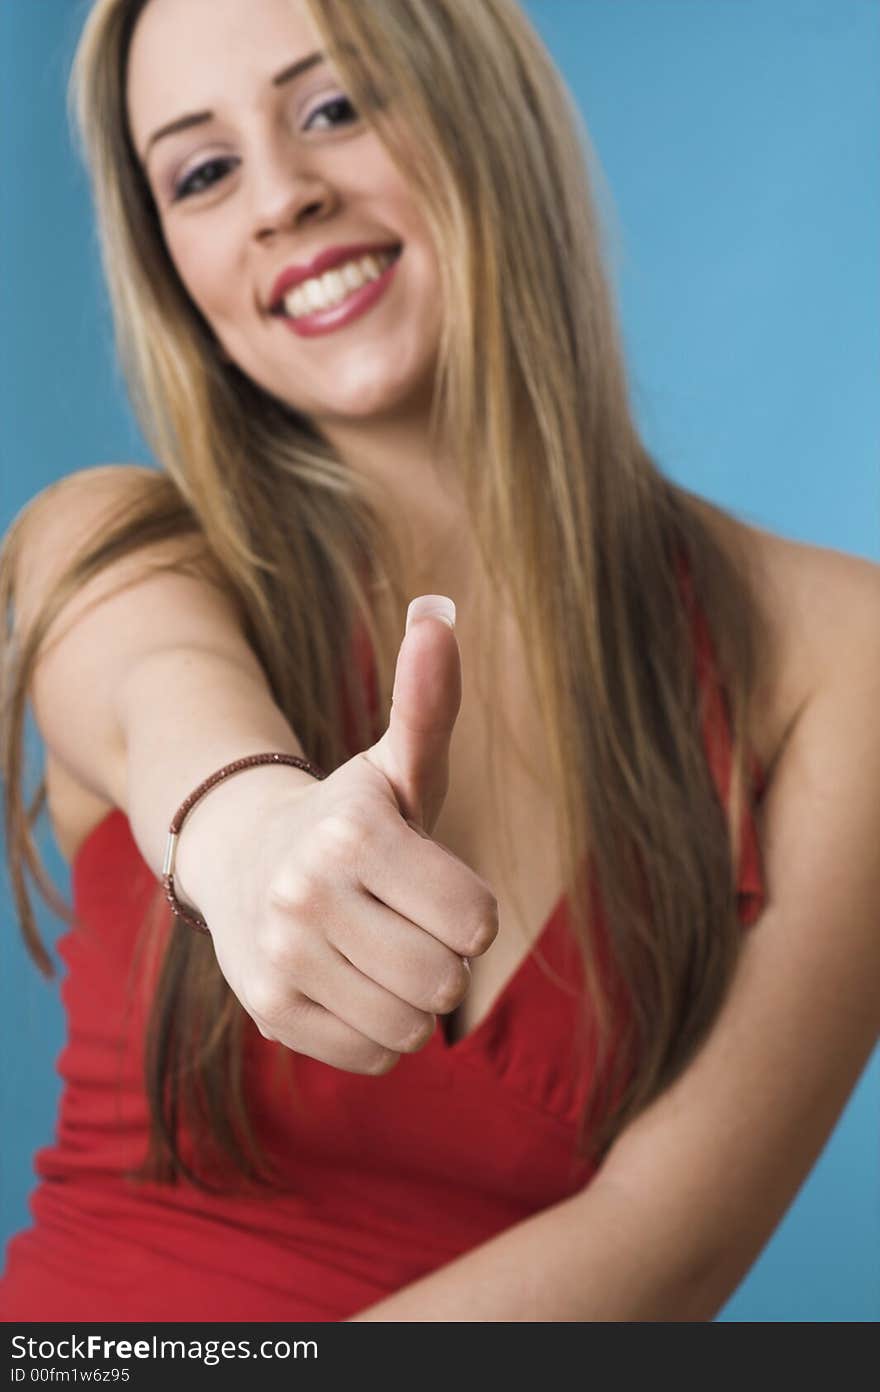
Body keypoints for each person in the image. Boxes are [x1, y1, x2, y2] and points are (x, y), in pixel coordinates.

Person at [0, 0, 877, 1324]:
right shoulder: (110, 548)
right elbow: (157, 701)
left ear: (485, 111)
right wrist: (246, 851)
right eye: (202, 170)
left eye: (335, 107)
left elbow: (671, 1253)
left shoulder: (842, 654)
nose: (281, 198)